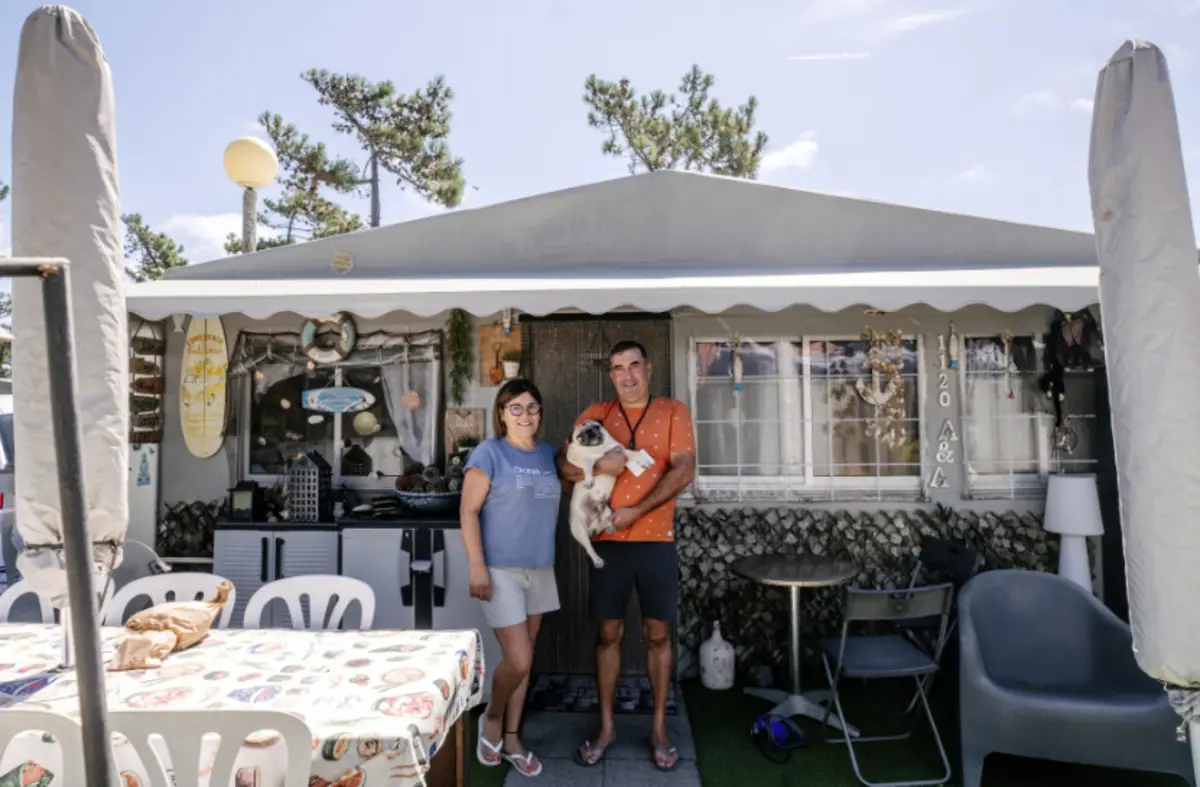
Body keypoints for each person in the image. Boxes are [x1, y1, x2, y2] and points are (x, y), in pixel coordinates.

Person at [556, 339, 696, 772]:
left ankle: (659, 730)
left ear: (648, 369)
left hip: (656, 540)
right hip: (608, 544)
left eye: (635, 365)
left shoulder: (673, 411)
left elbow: (684, 469)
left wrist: (637, 510)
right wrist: (600, 468)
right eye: (618, 368)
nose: (628, 375)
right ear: (611, 375)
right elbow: (563, 466)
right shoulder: (596, 413)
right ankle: (606, 729)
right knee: (608, 635)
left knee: (658, 635)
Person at [460, 378, 561, 778]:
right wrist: (477, 566)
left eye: (532, 407)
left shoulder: (549, 455)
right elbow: (468, 512)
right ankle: (493, 716)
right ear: (501, 413)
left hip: (541, 567)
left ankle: (513, 737)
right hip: (500, 570)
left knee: (526, 660)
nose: (525, 415)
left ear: (540, 413)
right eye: (515, 408)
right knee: (517, 660)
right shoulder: (489, 453)